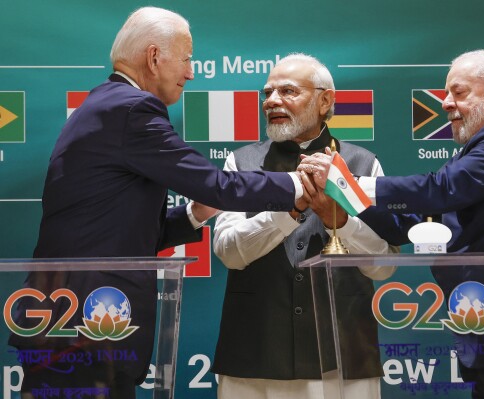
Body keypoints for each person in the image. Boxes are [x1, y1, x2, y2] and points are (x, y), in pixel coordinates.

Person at [9, 7, 306, 399]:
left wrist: (194, 214)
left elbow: (114, 230)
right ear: (153, 58)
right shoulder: (132, 109)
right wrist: (300, 185)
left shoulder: (102, 105)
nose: (192, 73)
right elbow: (215, 183)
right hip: (87, 329)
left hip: (73, 324)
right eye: (186, 59)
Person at [299, 49, 484, 399]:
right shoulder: (469, 159)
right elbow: (403, 225)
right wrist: (343, 204)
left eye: (458, 92)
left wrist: (349, 182)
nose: (444, 103)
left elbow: (442, 189)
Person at [211, 53, 400, 399]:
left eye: (287, 91)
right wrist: (290, 210)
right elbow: (228, 253)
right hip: (254, 358)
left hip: (345, 360)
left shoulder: (363, 164)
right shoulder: (240, 163)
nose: (271, 101)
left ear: (325, 100)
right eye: (267, 93)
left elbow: (384, 265)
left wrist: (341, 221)